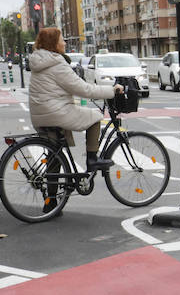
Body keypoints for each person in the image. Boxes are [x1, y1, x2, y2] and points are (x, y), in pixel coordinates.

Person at [27, 26, 122, 186]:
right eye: (61, 39)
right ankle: (92, 159)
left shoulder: (39, 61)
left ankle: (51, 202)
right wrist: (111, 91)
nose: (64, 43)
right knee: (95, 117)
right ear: (53, 44)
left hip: (40, 114)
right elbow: (84, 89)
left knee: (54, 156)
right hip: (55, 112)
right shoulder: (57, 63)